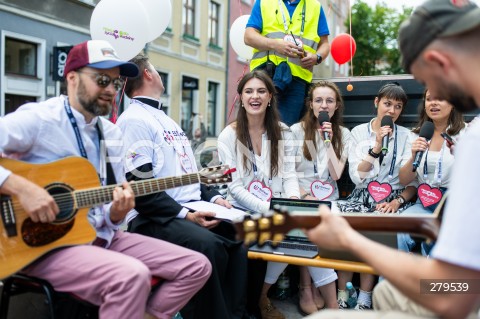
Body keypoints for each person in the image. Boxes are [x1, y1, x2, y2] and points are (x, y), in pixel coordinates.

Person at [0, 40, 211, 319]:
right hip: (42, 245)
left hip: (101, 237)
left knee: (197, 266)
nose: (111, 90)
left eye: (116, 82)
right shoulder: (41, 119)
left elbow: (106, 213)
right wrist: (23, 188)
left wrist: (117, 212)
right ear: (72, 77)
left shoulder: (111, 135)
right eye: (102, 80)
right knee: (131, 276)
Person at [304, 1, 480, 318]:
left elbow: (457, 291)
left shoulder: (472, 139)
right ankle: (362, 293)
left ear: (440, 60)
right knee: (388, 291)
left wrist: (349, 239)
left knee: (328, 317)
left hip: (465, 291)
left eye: (429, 81)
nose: (434, 98)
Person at [116, 54, 248, 319]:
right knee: (209, 246)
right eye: (154, 68)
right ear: (148, 75)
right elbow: (141, 189)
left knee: (241, 234)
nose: (158, 73)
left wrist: (213, 199)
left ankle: (237, 313)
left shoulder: (167, 119)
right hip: (152, 217)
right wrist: (186, 215)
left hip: (187, 208)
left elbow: (187, 174)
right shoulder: (133, 120)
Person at [217, 70, 300, 319]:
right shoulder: (228, 136)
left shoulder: (283, 132)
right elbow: (235, 188)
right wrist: (271, 209)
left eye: (261, 91)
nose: (255, 96)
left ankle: (262, 295)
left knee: (296, 234)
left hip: (274, 204)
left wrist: (293, 202)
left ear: (271, 97)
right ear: (241, 97)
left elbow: (289, 176)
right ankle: (253, 302)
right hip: (239, 208)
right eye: (249, 91)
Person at [336, 82, 417, 310]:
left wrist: (396, 201)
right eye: (387, 104)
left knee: (377, 232)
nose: (391, 111)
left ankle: (365, 295)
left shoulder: (408, 136)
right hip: (361, 194)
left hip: (391, 199)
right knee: (345, 228)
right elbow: (357, 177)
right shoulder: (358, 132)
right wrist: (377, 145)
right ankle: (342, 293)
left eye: (398, 106)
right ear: (376, 103)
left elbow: (409, 182)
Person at [290, 80, 351, 312]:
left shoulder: (342, 134)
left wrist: (328, 142)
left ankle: (316, 285)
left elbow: (336, 175)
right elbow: (289, 173)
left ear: (336, 106)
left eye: (329, 101)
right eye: (318, 100)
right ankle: (305, 286)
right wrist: (304, 195)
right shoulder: (295, 131)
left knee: (327, 222)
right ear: (311, 105)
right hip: (302, 194)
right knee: (310, 220)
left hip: (329, 197)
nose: (323, 105)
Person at [398, 89, 466, 253]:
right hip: (424, 201)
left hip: (454, 204)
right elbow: (404, 180)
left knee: (438, 241)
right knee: (399, 229)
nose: (433, 103)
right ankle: (393, 278)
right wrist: (413, 155)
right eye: (429, 99)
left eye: (440, 98)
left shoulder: (465, 133)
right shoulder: (416, 135)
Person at [244, 0, 330, 126]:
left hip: (297, 81)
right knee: (257, 126)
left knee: (285, 130)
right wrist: (274, 44)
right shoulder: (264, 2)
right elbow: (248, 36)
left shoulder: (315, 7)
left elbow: (325, 44)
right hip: (265, 76)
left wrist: (317, 57)